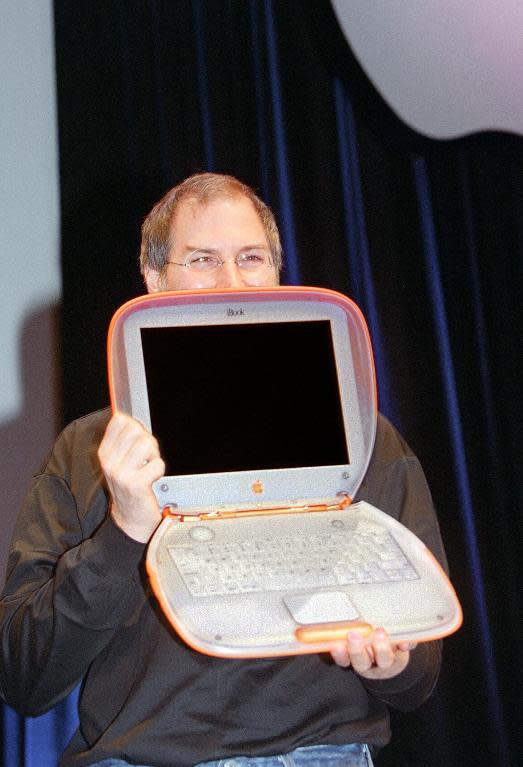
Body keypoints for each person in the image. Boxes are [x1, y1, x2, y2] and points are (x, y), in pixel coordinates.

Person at [0, 173, 448, 767]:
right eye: (203, 259)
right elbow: (27, 678)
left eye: (251, 258)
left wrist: (395, 661)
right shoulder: (90, 451)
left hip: (322, 755)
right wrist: (125, 531)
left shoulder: (359, 439)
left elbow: (420, 676)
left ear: (277, 276)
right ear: (156, 281)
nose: (232, 282)